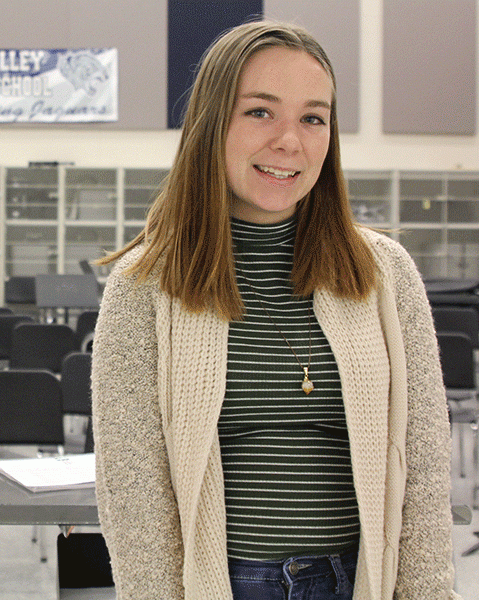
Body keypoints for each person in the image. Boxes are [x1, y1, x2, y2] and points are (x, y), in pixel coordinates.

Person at [91, 20, 459, 600]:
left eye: (313, 117)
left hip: (359, 579)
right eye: (260, 111)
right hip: (225, 586)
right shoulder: (145, 285)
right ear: (212, 125)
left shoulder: (384, 274)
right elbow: (133, 492)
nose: (290, 140)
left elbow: (424, 469)